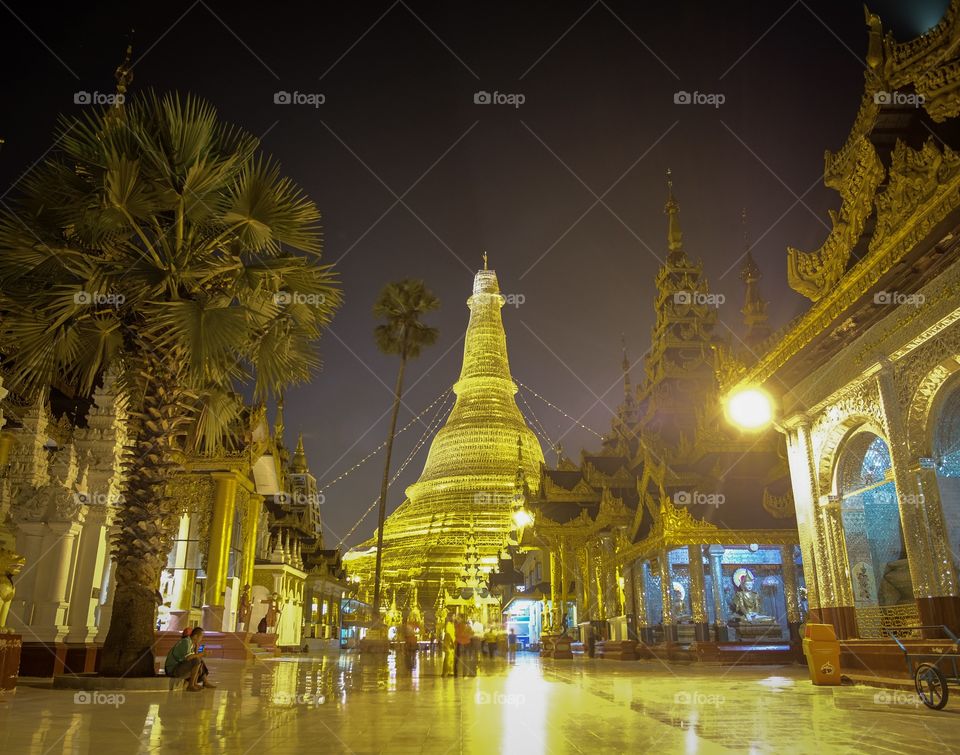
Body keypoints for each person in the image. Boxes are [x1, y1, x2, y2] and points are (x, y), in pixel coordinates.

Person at [441, 613, 456, 678]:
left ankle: (450, 671)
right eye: (453, 616)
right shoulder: (448, 624)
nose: (454, 618)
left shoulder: (452, 625)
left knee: (451, 658)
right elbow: (448, 634)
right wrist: (451, 642)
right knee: (447, 658)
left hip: (453, 643)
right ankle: (445, 672)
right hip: (449, 643)